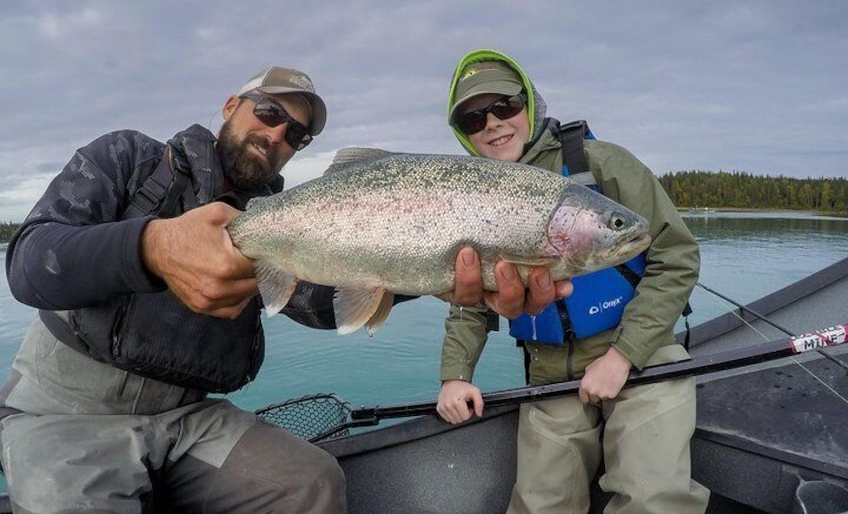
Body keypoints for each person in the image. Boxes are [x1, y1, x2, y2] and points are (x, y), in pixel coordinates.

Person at [0, 65, 569, 513]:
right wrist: (150, 247)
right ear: (231, 106)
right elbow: (29, 262)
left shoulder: (280, 220)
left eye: (295, 133)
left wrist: (431, 273)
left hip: (188, 420)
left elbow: (319, 305)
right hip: (63, 412)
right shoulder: (129, 159)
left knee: (313, 484)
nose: (277, 134)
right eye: (269, 112)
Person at [435, 50, 711, 514]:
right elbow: (473, 297)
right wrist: (454, 376)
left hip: (644, 358)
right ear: (463, 133)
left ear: (530, 104)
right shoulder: (470, 193)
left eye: (505, 105)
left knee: (652, 499)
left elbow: (677, 255)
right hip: (548, 372)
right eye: (473, 117)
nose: (493, 123)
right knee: (540, 506)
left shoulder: (603, 162)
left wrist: (623, 356)